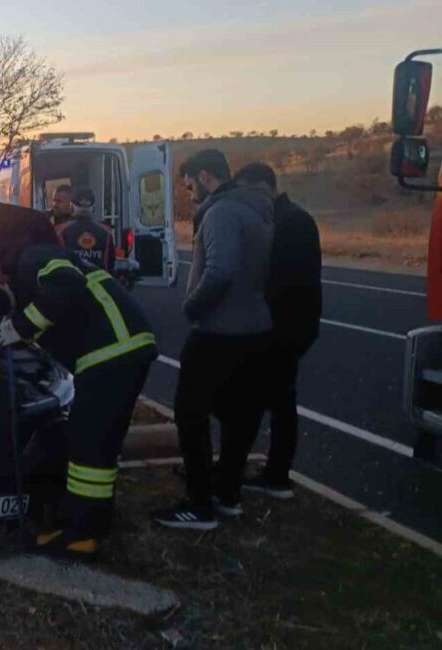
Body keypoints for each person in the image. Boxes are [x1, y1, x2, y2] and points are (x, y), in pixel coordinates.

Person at [0, 234, 157, 558]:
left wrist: (19, 325)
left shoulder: (34, 257)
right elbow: (61, 313)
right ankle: (81, 523)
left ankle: (83, 534)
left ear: (1, 264)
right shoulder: (37, 262)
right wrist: (12, 335)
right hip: (117, 350)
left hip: (112, 350)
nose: (0, 283)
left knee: (90, 442)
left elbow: (67, 288)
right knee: (92, 440)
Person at [153, 149, 274, 530]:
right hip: (255, 331)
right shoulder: (257, 210)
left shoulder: (221, 212)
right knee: (239, 416)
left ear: (205, 177)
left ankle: (199, 503)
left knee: (191, 413)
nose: (189, 195)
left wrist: (192, 307)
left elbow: (219, 271)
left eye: (190, 185)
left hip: (218, 333)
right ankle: (228, 494)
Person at [234, 162, 322, 499]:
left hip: (283, 327)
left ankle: (275, 474)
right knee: (273, 397)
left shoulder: (289, 222)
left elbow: (281, 282)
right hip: (289, 324)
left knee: (273, 399)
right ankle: (267, 470)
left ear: (261, 186)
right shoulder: (291, 218)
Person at [56, 187, 115, 274]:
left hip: (70, 284)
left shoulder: (60, 231)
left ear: (71, 206)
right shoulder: (106, 232)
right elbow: (111, 264)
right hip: (99, 285)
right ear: (93, 208)